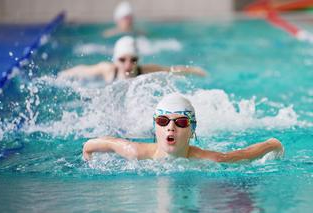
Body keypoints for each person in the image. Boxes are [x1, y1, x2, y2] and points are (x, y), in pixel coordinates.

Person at [83, 93, 284, 161]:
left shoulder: (206, 158)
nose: (171, 128)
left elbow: (242, 155)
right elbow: (95, 144)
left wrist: (271, 144)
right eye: (163, 121)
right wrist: (88, 158)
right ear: (155, 127)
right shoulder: (135, 152)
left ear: (192, 129)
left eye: (180, 122)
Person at [59, 36, 206, 83]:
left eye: (133, 59)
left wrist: (194, 70)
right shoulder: (108, 69)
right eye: (122, 60)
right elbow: (83, 70)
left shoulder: (145, 70)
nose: (128, 64)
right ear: (115, 60)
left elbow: (171, 70)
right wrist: (63, 75)